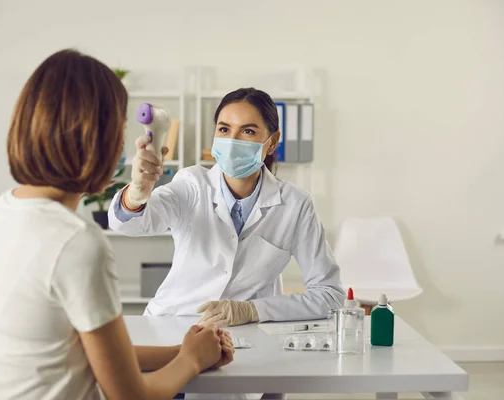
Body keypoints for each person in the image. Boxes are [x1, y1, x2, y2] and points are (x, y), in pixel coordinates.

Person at [0, 49, 233, 400]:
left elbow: (81, 352)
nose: (122, 144)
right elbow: (133, 397)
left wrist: (182, 352)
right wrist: (191, 363)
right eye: (119, 128)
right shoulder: (76, 242)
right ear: (95, 136)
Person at [109, 87, 345, 328]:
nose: (232, 141)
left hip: (247, 333)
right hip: (172, 323)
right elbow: (129, 224)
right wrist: (137, 193)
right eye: (224, 129)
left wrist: (253, 310)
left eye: (248, 131)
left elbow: (330, 295)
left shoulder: (295, 204)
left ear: (272, 142)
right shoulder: (192, 184)